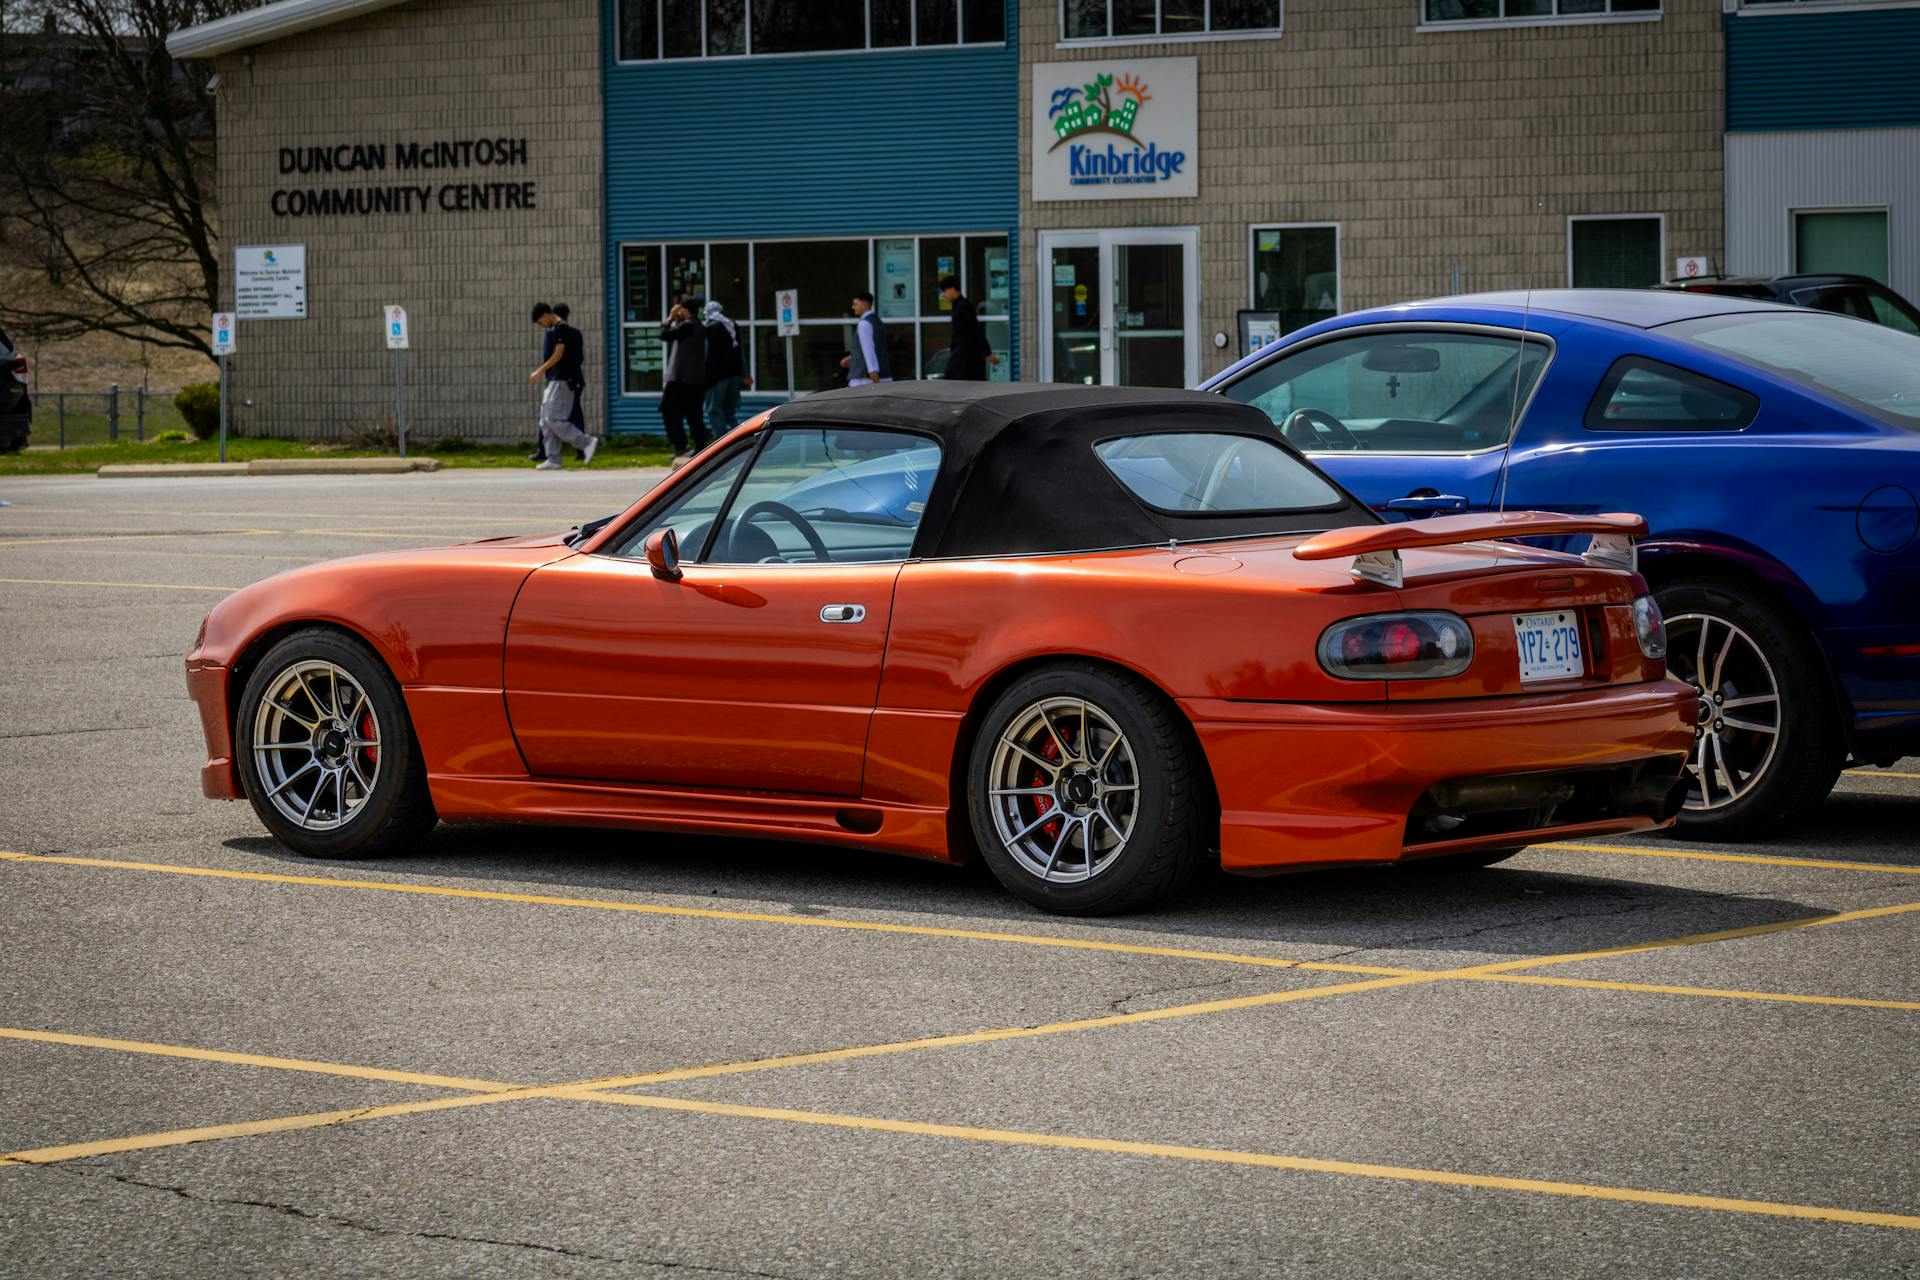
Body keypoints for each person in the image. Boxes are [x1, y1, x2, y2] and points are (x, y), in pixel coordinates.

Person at [528, 302, 596, 470]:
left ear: (545, 315)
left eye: (540, 322)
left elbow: (558, 354)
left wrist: (539, 371)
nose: (542, 326)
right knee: (544, 420)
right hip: (555, 379)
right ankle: (553, 458)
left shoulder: (561, 328)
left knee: (554, 419)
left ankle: (586, 442)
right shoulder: (558, 329)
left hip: (563, 380)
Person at [659, 298, 708, 462]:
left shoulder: (688, 326)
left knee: (669, 411)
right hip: (696, 380)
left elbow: (664, 335)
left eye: (680, 309)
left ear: (686, 311)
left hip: (681, 379)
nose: (678, 312)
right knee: (694, 414)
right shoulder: (700, 326)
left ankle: (681, 445)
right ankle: (701, 445)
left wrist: (670, 318)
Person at [702, 300, 747, 433]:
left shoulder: (709, 327)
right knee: (729, 412)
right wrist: (745, 374)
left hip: (717, 378)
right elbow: (740, 352)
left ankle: (720, 444)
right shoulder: (732, 325)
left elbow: (706, 355)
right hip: (734, 376)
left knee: (714, 411)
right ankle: (740, 440)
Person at [939, 275, 995, 382]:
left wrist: (987, 352)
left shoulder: (964, 306)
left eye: (945, 291)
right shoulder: (957, 305)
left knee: (955, 380)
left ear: (952, 289)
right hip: (960, 352)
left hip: (965, 354)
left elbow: (976, 329)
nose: (943, 295)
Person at [838, 291, 891, 386]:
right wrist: (853, 357)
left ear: (865, 303)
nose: (853, 307)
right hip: (884, 375)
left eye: (855, 304)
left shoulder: (864, 324)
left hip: (865, 378)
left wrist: (872, 371)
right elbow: (875, 347)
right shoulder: (878, 321)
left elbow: (868, 348)